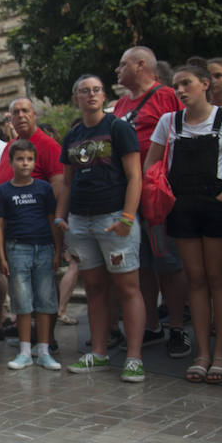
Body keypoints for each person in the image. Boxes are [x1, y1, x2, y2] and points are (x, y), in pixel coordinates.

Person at [57, 74, 146, 383]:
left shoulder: (119, 128)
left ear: (104, 95)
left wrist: (127, 218)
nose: (91, 95)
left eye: (96, 90)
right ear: (76, 99)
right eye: (85, 91)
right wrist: (60, 217)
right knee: (94, 288)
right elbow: (67, 182)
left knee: (127, 288)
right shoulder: (73, 136)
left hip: (113, 218)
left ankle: (134, 358)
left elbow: (135, 176)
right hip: (81, 220)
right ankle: (99, 352)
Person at [145, 64, 222, 383]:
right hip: (183, 207)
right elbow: (151, 163)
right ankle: (202, 353)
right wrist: (161, 193)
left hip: (216, 206)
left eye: (187, 83)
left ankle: (221, 352)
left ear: (204, 84)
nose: (180, 90)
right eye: (177, 85)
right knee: (194, 279)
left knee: (218, 279)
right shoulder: (170, 121)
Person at [113, 46, 189, 359]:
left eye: (122, 65)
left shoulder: (167, 96)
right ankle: (152, 325)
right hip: (128, 196)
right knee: (140, 263)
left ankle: (177, 327)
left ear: (140, 65)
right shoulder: (119, 104)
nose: (117, 71)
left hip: (158, 195)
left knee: (168, 263)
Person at [0, 140, 61, 371]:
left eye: (29, 159)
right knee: (22, 303)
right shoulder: (3, 191)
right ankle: (24, 351)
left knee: (45, 301)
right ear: (11, 162)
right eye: (20, 159)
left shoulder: (44, 189)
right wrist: (1, 256)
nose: (25, 163)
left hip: (43, 248)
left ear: (35, 162)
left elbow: (52, 220)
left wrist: (57, 249)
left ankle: (43, 350)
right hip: (16, 249)